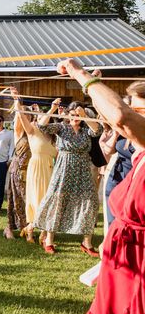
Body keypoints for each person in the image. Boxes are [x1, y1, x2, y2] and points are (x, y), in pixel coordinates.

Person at [46, 60, 145, 314]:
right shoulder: (138, 153)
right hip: (121, 263)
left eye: (139, 107)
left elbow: (121, 117)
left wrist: (80, 74)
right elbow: (114, 116)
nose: (131, 111)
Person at [33, 101, 102, 255]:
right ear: (68, 115)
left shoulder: (86, 130)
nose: (76, 117)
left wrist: (84, 115)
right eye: (73, 115)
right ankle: (49, 239)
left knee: (90, 201)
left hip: (83, 168)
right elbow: (42, 126)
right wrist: (53, 108)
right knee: (58, 200)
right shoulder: (61, 127)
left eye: (78, 115)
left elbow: (97, 130)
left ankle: (87, 242)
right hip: (64, 168)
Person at [10, 91, 57, 244]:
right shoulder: (32, 131)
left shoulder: (54, 137)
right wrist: (17, 102)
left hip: (51, 170)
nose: (43, 119)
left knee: (49, 202)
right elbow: (22, 119)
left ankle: (43, 233)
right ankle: (30, 229)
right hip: (36, 170)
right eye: (41, 117)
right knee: (37, 200)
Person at [3, 99, 30, 240]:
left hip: (30, 171)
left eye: (29, 115)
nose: (27, 117)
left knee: (28, 200)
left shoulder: (33, 131)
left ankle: (26, 228)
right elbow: (19, 120)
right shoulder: (18, 132)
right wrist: (17, 101)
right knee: (16, 199)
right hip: (18, 170)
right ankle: (9, 228)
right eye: (24, 115)